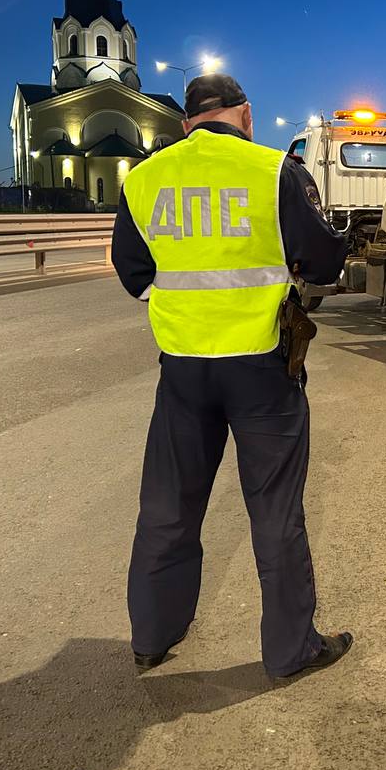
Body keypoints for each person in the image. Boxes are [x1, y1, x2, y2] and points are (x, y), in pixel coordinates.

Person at [110, 73, 351, 678]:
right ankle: (291, 651)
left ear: (186, 122)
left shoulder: (144, 179)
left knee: (168, 506)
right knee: (274, 511)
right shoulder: (275, 171)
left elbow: (133, 271)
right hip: (263, 368)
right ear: (245, 114)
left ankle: (152, 638)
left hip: (184, 371)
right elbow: (323, 260)